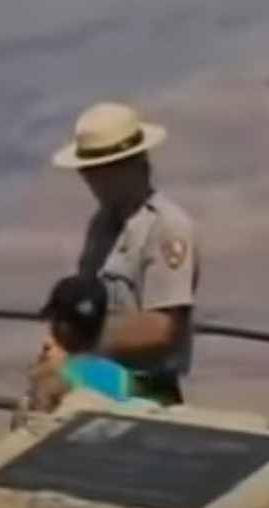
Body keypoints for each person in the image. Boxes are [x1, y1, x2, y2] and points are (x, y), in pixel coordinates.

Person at [50, 101, 200, 406]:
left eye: (101, 171)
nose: (93, 181)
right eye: (88, 172)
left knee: (59, 383)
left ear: (132, 164)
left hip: (148, 383)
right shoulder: (102, 226)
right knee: (46, 382)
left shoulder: (166, 228)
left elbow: (162, 329)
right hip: (104, 368)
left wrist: (79, 344)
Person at [12, 275, 156, 429]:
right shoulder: (124, 377)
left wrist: (41, 384)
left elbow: (29, 436)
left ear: (62, 327)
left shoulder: (52, 379)